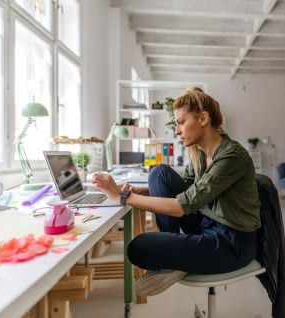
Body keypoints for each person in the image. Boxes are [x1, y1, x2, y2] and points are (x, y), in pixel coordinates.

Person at [92, 87, 261, 297]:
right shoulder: (200, 153)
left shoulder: (231, 156)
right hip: (205, 224)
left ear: (203, 118)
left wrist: (123, 197)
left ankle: (177, 259)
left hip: (232, 243)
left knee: (138, 248)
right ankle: (177, 259)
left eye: (181, 122)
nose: (177, 131)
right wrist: (138, 191)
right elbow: (188, 189)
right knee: (158, 173)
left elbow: (183, 206)